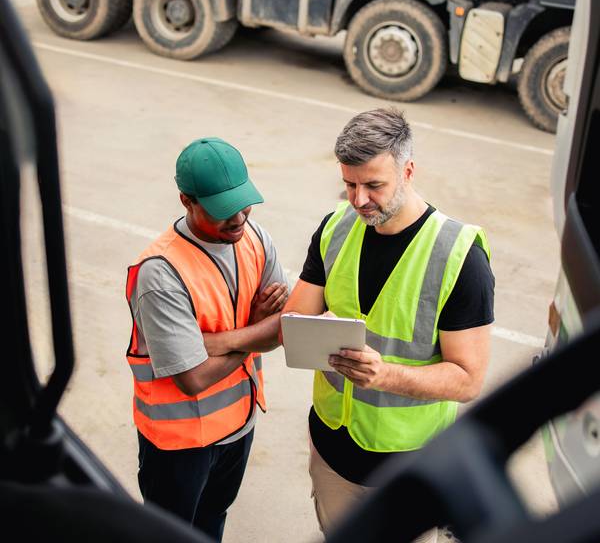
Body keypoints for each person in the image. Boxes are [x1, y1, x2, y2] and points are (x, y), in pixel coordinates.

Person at [282, 108, 494, 542]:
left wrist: (385, 376)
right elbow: (296, 318)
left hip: (410, 472)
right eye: (349, 184)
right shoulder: (336, 228)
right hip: (333, 456)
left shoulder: (459, 256)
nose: (358, 199)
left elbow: (468, 380)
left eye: (374, 185)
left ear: (408, 170)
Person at [125, 137, 288, 542]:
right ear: (186, 200)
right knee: (171, 534)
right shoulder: (160, 273)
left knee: (213, 521)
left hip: (239, 426)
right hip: (180, 445)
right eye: (221, 210)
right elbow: (192, 378)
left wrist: (217, 342)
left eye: (243, 203)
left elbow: (284, 325)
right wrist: (255, 328)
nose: (237, 218)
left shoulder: (253, 238)